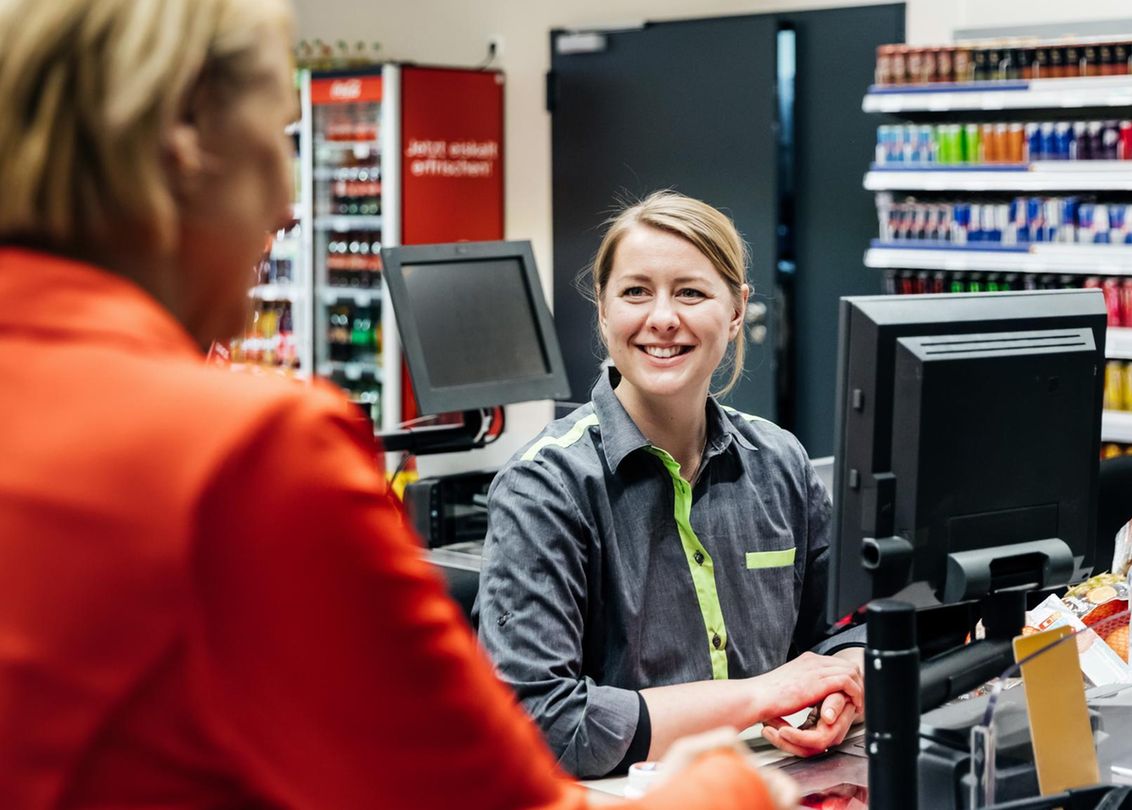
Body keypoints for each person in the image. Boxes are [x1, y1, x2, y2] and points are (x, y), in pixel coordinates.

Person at [0, 2, 793, 808]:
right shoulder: (243, 452)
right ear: (184, 148)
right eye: (276, 143)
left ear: (735, 311)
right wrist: (726, 784)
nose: (288, 207)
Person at [477, 191, 865, 780]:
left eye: (690, 292)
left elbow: (847, 630)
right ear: (604, 312)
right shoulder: (545, 488)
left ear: (736, 311)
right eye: (635, 292)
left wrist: (845, 687)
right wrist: (763, 695)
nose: (662, 318)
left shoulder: (781, 462)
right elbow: (536, 722)